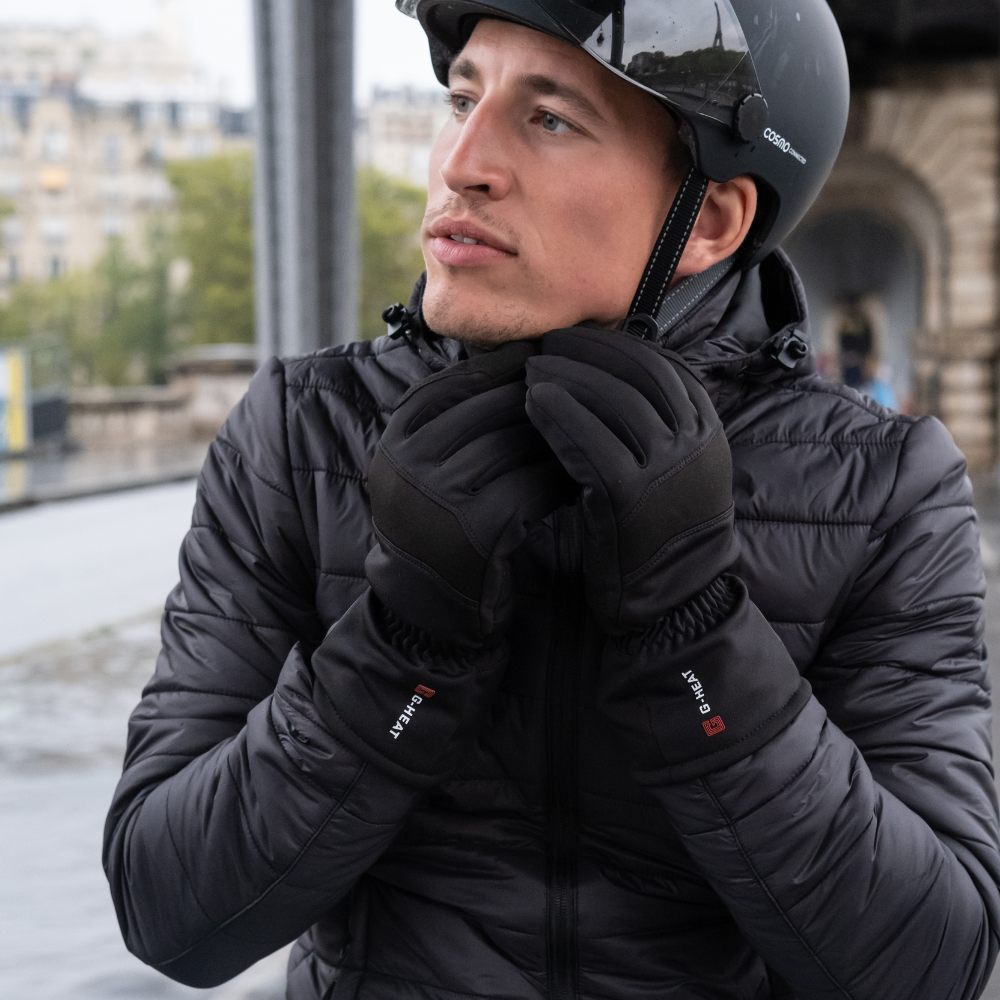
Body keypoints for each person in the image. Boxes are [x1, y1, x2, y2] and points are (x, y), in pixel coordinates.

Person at [103, 2, 1000, 998]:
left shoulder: (882, 486)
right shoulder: (300, 430)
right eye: (462, 100)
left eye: (550, 119)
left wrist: (697, 633)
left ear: (707, 221)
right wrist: (399, 648)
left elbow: (932, 965)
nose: (463, 164)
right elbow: (168, 913)